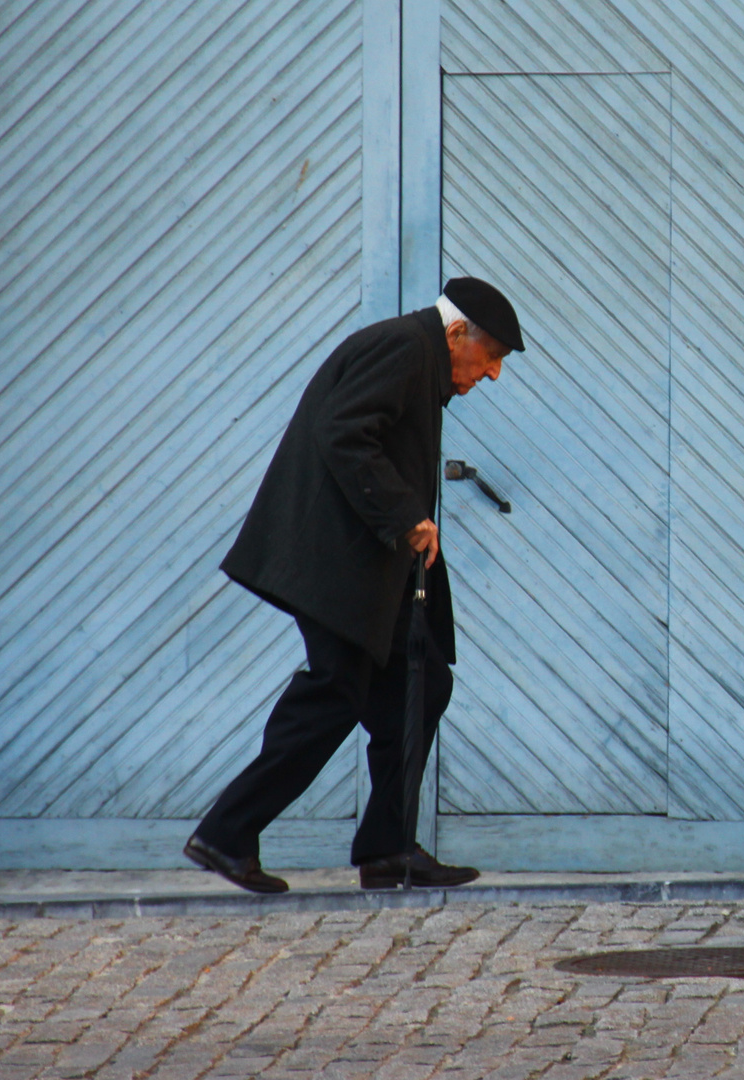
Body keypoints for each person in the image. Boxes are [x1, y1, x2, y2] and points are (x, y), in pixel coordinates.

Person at [184, 277, 524, 893]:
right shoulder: (403, 347)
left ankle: (388, 849)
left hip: (371, 567)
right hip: (335, 563)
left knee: (420, 687)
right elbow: (343, 431)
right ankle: (226, 833)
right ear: (456, 334)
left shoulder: (420, 355)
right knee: (336, 691)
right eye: (492, 356)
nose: (494, 374)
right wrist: (406, 515)